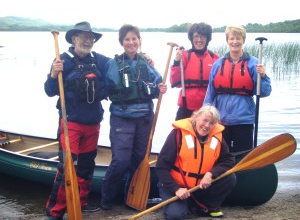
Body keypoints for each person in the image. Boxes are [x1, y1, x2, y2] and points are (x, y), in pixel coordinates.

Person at [44, 21, 110, 220]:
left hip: (93, 123)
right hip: (70, 122)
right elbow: (49, 91)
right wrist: (53, 75)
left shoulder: (98, 60)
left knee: (87, 166)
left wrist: (143, 57)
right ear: (74, 39)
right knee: (67, 167)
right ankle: (55, 210)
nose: (88, 40)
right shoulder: (61, 60)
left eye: (90, 37)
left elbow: (119, 63)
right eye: (83, 36)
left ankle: (80, 203)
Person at [100, 24, 167, 210]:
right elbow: (103, 88)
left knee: (138, 160)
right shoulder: (112, 64)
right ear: (122, 42)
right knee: (121, 160)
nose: (131, 42)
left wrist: (161, 88)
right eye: (127, 39)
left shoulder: (145, 63)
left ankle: (131, 196)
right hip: (122, 118)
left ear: (139, 41)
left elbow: (157, 84)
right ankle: (107, 197)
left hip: (144, 118)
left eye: (134, 39)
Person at [155, 104, 236, 219]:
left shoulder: (217, 137)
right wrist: (176, 189)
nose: (207, 125)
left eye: (211, 123)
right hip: (176, 186)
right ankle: (190, 206)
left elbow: (228, 159)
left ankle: (207, 206)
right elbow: (161, 167)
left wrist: (211, 173)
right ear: (196, 117)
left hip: (199, 187)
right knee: (175, 216)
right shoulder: (177, 134)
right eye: (205, 120)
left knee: (230, 177)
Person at [204, 25, 272, 153]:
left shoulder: (253, 63)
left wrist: (262, 76)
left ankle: (243, 173)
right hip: (221, 119)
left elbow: (264, 92)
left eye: (238, 38)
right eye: (232, 38)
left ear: (243, 40)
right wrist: (204, 114)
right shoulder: (218, 64)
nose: (235, 42)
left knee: (243, 154)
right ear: (227, 41)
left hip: (243, 119)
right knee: (221, 154)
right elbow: (210, 93)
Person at [170, 22, 219, 120]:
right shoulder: (184, 56)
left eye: (203, 36)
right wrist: (176, 61)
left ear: (207, 39)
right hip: (186, 106)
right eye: (196, 36)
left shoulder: (214, 58)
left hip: (207, 108)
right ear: (192, 38)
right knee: (181, 134)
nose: (199, 40)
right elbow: (175, 82)